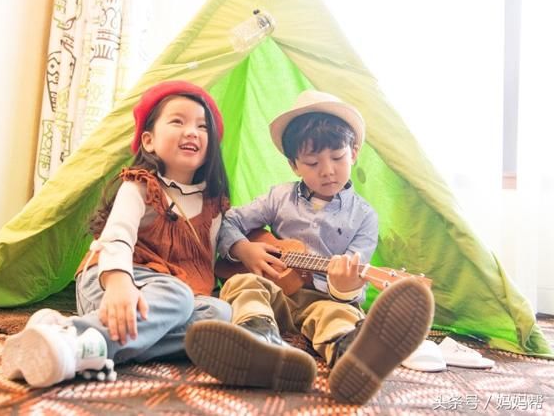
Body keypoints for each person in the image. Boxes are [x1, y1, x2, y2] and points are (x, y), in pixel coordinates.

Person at [184, 89, 434, 404]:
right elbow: (227, 221)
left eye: (338, 158)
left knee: (337, 314)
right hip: (275, 295)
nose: (327, 170)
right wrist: (244, 250)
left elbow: (350, 289)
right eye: (313, 162)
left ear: (354, 153)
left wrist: (343, 287)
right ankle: (259, 341)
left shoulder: (364, 217)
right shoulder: (278, 197)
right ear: (294, 165)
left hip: (323, 298)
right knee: (241, 282)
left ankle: (351, 356)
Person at [1, 80, 233, 388]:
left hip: (163, 304)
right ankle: (75, 342)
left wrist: (246, 249)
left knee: (218, 314)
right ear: (148, 141)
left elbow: (224, 247)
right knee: (178, 295)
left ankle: (69, 335)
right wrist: (119, 281)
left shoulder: (214, 204)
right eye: (178, 121)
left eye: (203, 127)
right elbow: (117, 236)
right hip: (112, 282)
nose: (192, 131)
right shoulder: (140, 185)